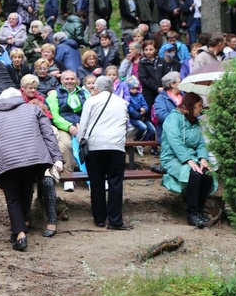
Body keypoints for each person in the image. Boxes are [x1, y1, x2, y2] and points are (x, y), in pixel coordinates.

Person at [0, 87, 63, 251]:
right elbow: (48, 134)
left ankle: (20, 234)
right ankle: (23, 223)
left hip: (7, 159)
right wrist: (57, 158)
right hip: (32, 158)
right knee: (26, 189)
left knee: (12, 197)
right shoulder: (33, 109)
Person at [77, 76, 131, 229]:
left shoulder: (91, 101)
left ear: (97, 88)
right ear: (112, 87)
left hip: (95, 146)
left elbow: (83, 126)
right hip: (116, 146)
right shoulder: (122, 102)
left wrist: (82, 141)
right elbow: (125, 124)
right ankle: (115, 220)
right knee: (115, 183)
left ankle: (99, 219)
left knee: (97, 182)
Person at [160, 93, 215, 228]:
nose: (201, 109)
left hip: (192, 157)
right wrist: (188, 160)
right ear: (190, 106)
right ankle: (192, 213)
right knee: (194, 174)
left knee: (207, 174)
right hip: (172, 157)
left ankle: (199, 209)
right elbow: (175, 141)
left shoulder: (195, 122)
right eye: (199, 106)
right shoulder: (173, 118)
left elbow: (201, 144)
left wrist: (203, 158)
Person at [45, 70, 86, 181]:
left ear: (76, 80)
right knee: (66, 145)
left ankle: (90, 175)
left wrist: (83, 125)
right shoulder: (54, 94)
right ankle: (69, 175)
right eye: (66, 79)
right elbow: (54, 115)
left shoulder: (84, 93)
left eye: (72, 79)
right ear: (61, 80)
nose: (69, 81)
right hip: (63, 127)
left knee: (91, 145)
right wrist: (69, 127)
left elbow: (89, 111)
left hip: (82, 126)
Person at [126, 75, 155, 143]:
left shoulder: (140, 95)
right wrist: (138, 114)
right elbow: (130, 108)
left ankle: (142, 143)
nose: (135, 90)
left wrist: (145, 109)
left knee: (152, 130)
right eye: (133, 88)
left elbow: (145, 104)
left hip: (143, 116)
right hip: (134, 118)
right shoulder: (128, 97)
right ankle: (136, 139)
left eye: (136, 88)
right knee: (143, 127)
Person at [153, 71, 183, 138]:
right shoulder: (161, 98)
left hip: (185, 133)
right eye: (179, 82)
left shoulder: (184, 96)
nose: (182, 83)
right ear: (172, 84)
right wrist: (181, 120)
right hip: (168, 135)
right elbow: (162, 115)